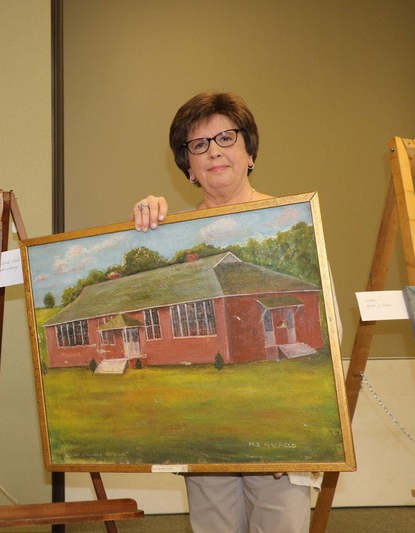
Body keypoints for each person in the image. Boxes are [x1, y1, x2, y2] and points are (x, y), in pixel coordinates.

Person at [131, 92, 320, 533]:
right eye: (199, 145)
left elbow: (325, 321)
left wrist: (301, 431)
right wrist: (143, 231)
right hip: (206, 436)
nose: (214, 150)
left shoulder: (291, 218)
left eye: (226, 137)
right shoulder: (173, 239)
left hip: (284, 434)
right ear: (188, 166)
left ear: (249, 151)